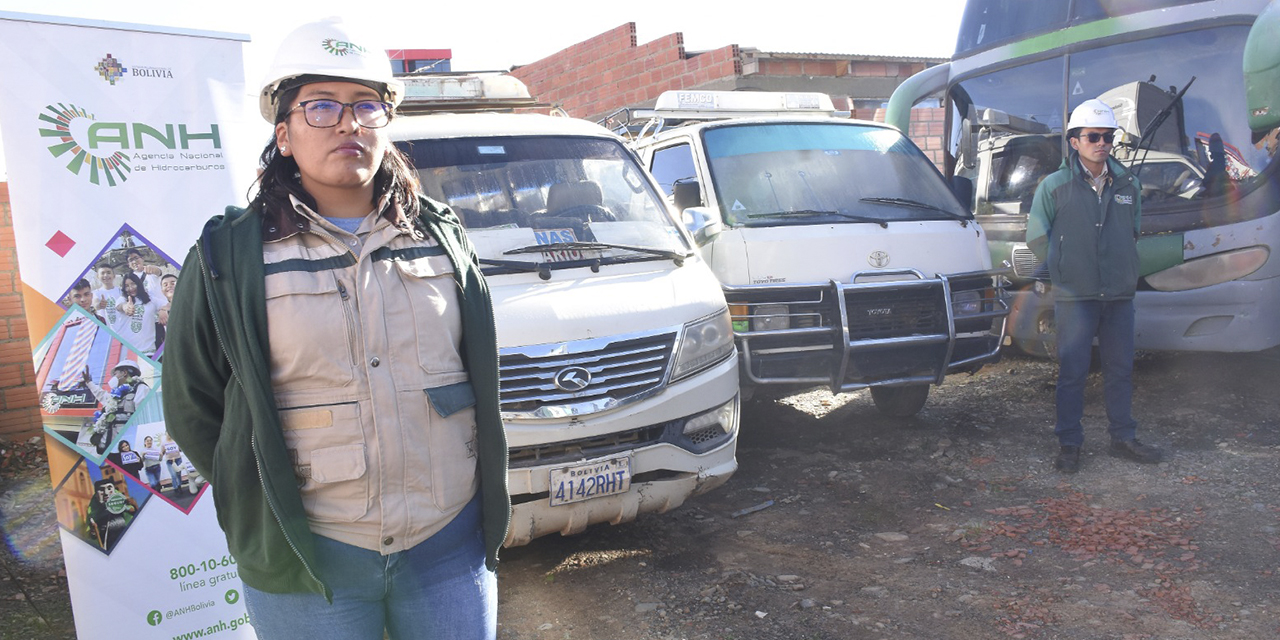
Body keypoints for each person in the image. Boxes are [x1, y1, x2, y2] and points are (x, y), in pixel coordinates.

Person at [162, 17, 508, 640]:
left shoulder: (439, 237)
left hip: (447, 543)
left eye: (365, 105)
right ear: (284, 134)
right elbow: (194, 406)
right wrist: (258, 484)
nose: (348, 123)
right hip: (309, 558)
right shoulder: (230, 255)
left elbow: (478, 372)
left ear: (386, 124)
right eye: (320, 106)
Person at [1027, 98, 1164, 474]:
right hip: (1076, 296)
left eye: (1108, 136)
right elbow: (1037, 236)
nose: (1102, 142)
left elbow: (1132, 231)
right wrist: (1066, 266)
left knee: (1120, 370)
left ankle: (1123, 438)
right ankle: (1069, 443)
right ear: (1075, 141)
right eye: (1093, 136)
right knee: (1073, 371)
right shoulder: (1054, 187)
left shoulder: (1128, 184)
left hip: (1119, 295)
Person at [115, 272, 161, 356]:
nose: (131, 288)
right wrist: (125, 307)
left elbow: (167, 305)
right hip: (128, 352)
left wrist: (162, 311)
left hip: (148, 350)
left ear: (138, 284)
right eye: (127, 286)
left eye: (133, 284)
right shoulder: (122, 299)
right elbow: (119, 307)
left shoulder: (150, 299)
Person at [92, 264, 124, 330]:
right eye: (102, 273)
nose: (106, 275)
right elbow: (96, 304)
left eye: (108, 273)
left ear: (114, 275)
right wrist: (100, 305)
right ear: (98, 276)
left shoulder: (120, 291)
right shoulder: (96, 293)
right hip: (105, 329)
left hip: (121, 329)